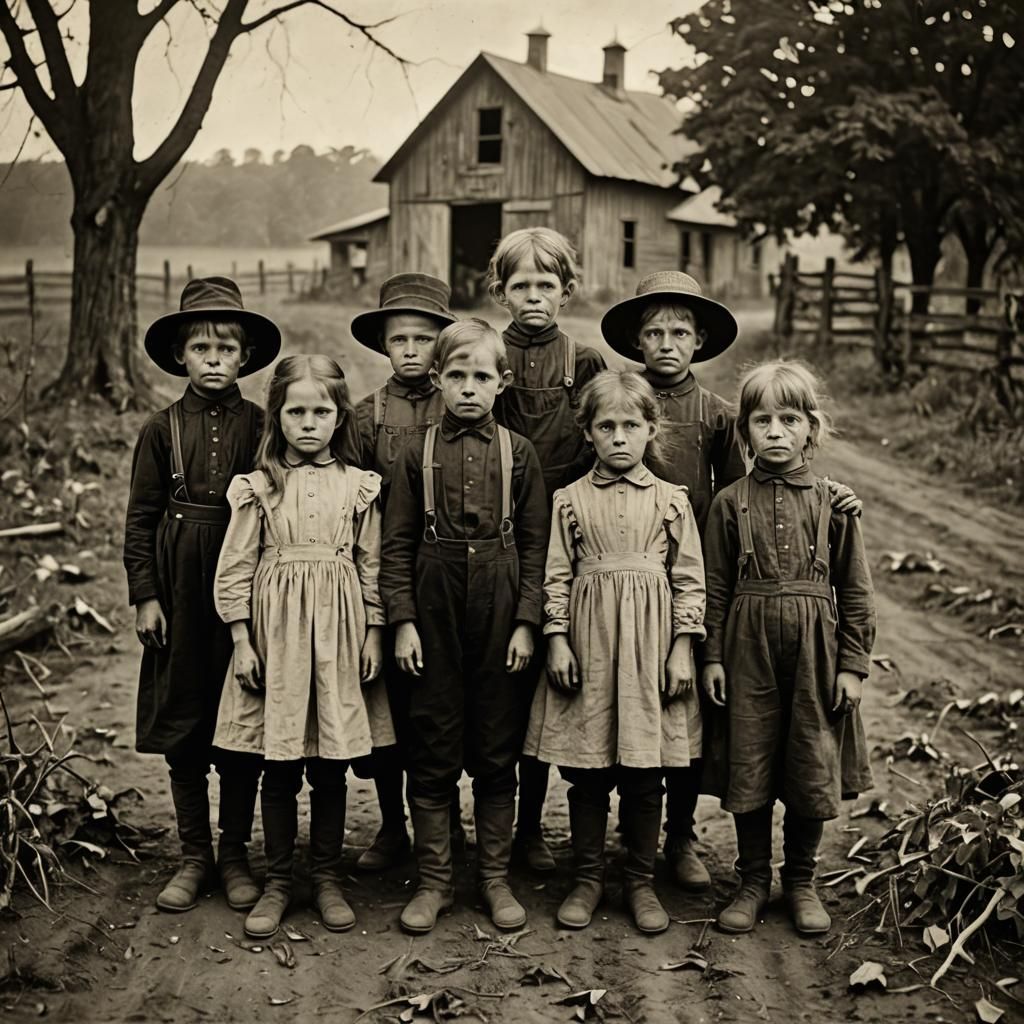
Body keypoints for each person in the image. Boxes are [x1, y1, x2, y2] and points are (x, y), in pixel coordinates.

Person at [601, 272, 864, 892]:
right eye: (655, 332)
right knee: (632, 703)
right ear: (638, 342)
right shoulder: (619, 405)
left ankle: (681, 834)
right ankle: (628, 833)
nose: (667, 343)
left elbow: (737, 498)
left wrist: (833, 496)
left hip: (696, 580)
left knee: (692, 716)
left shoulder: (721, 418)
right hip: (626, 576)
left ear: (698, 342)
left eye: (680, 332)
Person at [213, 355, 394, 939]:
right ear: (278, 416)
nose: (309, 423)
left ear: (340, 418)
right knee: (280, 763)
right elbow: (235, 567)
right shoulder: (259, 487)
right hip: (277, 636)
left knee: (330, 764)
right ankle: (279, 881)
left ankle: (326, 877)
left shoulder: (357, 486)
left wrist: (372, 631)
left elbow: (372, 564)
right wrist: (242, 640)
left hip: (338, 637)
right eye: (297, 412)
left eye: (322, 412)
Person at [380, 319, 549, 934]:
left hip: (502, 607)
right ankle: (435, 882)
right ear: (437, 379)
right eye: (456, 376)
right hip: (433, 608)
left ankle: (495, 880)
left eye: (482, 377)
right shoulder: (413, 453)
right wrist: (401, 622)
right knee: (431, 741)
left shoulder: (520, 453)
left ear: (503, 382)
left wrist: (528, 623)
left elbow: (537, 549)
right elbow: (394, 547)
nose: (469, 388)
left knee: (497, 744)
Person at [524, 370, 706, 935]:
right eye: (607, 426)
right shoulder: (568, 501)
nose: (620, 437)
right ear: (587, 433)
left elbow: (691, 579)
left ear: (652, 429)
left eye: (632, 425)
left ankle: (641, 880)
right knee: (588, 769)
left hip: (651, 649)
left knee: (645, 771)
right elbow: (554, 576)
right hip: (590, 644)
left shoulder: (673, 502)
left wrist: (682, 648)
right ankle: (587, 877)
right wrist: (556, 639)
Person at [701, 360, 875, 937]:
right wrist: (713, 658)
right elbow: (715, 588)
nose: (775, 431)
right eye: (761, 420)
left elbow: (854, 589)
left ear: (811, 429)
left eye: (789, 419)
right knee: (748, 762)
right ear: (744, 431)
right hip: (746, 648)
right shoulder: (729, 503)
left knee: (809, 760)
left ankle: (801, 880)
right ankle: (752, 881)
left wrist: (852, 666)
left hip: (815, 654)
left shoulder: (834, 504)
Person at [124, 277, 279, 915]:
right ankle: (195, 854)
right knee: (185, 717)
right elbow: (139, 517)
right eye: (201, 348)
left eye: (226, 348)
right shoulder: (161, 431)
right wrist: (145, 596)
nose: (214, 359)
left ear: (245, 358)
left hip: (246, 584)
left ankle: (237, 854)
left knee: (240, 719)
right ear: (180, 358)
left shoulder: (264, 426)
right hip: (181, 584)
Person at [487, 227, 607, 872]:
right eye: (520, 285)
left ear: (567, 291)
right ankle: (492, 826)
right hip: (499, 537)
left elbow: (602, 442)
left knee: (547, 687)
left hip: (563, 537)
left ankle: (532, 826)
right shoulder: (486, 352)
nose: (533, 296)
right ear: (500, 292)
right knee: (501, 682)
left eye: (546, 284)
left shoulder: (583, 363)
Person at [349, 273, 464, 873]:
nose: (413, 350)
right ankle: (394, 825)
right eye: (401, 340)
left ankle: (448, 824)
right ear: (385, 346)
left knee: (446, 705)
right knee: (391, 708)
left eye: (425, 338)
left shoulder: (463, 402)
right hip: (390, 567)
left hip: (454, 573)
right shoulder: (367, 416)